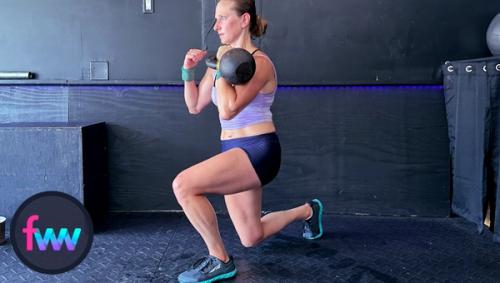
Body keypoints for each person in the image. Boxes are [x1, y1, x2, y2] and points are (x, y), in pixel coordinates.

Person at [174, 0, 324, 282]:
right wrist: (188, 72)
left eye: (222, 19)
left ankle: (219, 259)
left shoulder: (260, 64)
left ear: (244, 20)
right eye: (214, 20)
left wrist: (220, 67)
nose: (215, 26)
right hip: (232, 151)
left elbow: (229, 109)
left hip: (258, 150)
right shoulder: (219, 62)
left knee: (183, 185)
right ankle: (308, 210)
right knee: (251, 236)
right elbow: (194, 105)